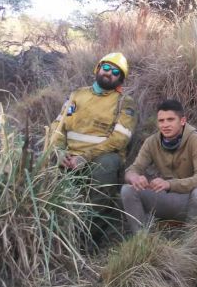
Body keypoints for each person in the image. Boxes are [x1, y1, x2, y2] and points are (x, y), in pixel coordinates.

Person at [120, 99, 197, 234]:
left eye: (170, 119)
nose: (165, 125)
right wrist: (134, 177)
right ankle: (142, 241)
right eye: (161, 121)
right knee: (128, 190)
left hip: (190, 201)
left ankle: (191, 244)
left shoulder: (196, 139)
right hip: (166, 199)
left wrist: (169, 184)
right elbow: (132, 169)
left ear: (182, 121)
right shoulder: (152, 141)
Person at [48, 52, 137, 195]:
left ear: (120, 79)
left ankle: (98, 216)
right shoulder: (76, 95)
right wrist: (59, 152)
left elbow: (120, 140)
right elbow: (58, 126)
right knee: (43, 159)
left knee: (108, 162)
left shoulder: (124, 102)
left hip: (99, 159)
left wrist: (85, 157)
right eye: (106, 68)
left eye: (115, 72)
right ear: (98, 68)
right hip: (69, 157)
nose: (109, 73)